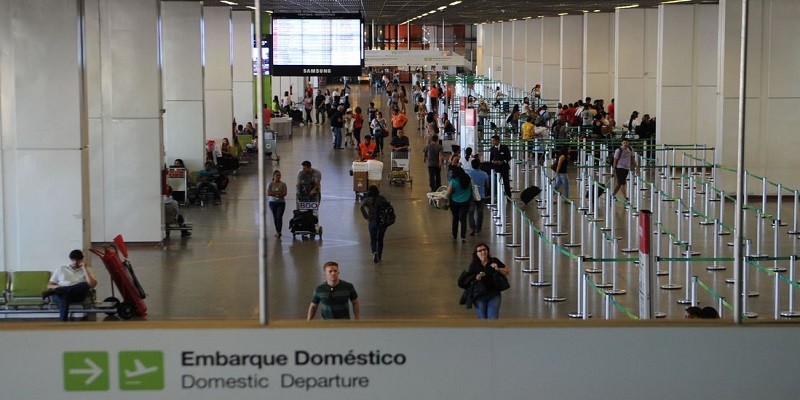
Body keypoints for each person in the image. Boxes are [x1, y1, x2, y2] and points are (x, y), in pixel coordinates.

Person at [457, 243, 510, 319]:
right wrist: (476, 277)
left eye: (484, 250)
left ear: (487, 251)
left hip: (494, 294)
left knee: (493, 318)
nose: (483, 252)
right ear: (476, 254)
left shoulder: (494, 261)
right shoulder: (474, 265)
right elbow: (467, 279)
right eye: (480, 251)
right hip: (479, 296)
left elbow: (507, 271)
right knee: (482, 318)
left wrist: (498, 268)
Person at [43, 250, 98, 322]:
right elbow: (49, 285)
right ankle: (63, 324)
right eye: (73, 260)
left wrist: (84, 269)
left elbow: (92, 285)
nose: (75, 262)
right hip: (61, 294)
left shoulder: (88, 269)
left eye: (77, 260)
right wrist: (56, 287)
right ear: (70, 259)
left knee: (84, 285)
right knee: (64, 298)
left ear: (81, 259)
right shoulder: (61, 269)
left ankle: (61, 290)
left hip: (77, 295)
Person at [360, 185, 390, 263]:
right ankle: (379, 256)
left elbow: (361, 207)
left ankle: (374, 252)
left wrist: (366, 216)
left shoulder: (367, 200)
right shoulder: (382, 199)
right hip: (382, 222)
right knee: (380, 239)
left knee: (373, 238)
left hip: (372, 221)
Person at [447, 166, 472, 242]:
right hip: (466, 202)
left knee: (455, 218)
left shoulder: (453, 181)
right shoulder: (468, 180)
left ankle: (454, 234)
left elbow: (448, 193)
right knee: (463, 219)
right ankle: (463, 236)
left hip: (454, 202)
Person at [467, 158, 489, 235]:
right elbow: (487, 185)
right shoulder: (485, 174)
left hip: (471, 195)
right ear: (479, 165)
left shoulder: (467, 173)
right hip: (481, 195)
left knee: (470, 211)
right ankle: (478, 228)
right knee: (480, 212)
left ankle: (472, 227)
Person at [267, 170, 287, 237]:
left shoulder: (283, 184)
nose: (278, 177)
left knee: (279, 217)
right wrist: (277, 193)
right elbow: (269, 193)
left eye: (279, 175)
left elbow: (284, 193)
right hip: (272, 203)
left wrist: (276, 194)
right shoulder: (270, 184)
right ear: (273, 176)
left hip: (281, 203)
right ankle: (277, 231)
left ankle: (279, 232)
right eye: (277, 175)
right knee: (275, 217)